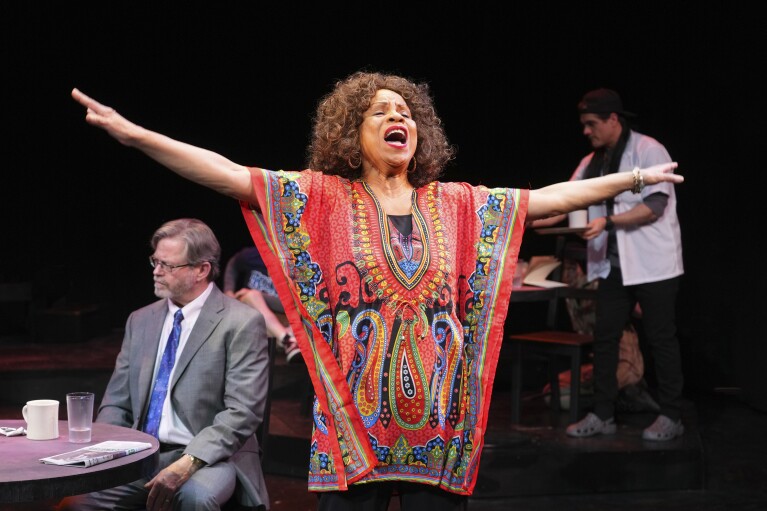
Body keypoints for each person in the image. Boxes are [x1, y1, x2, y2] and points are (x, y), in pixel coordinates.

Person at [71, 73, 682, 509]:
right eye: (382, 111)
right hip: (353, 431)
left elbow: (545, 199)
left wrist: (631, 177)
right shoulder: (322, 199)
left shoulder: (458, 205)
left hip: (440, 435)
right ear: (351, 131)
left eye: (408, 112)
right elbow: (229, 174)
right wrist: (136, 135)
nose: (399, 118)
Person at [58, 219, 270, 511]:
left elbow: (242, 412)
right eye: (155, 261)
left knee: (196, 497)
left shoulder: (240, 322)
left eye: (168, 266)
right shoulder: (140, 319)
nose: (156, 272)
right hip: (142, 453)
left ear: (201, 270)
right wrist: (101, 454)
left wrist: (190, 461)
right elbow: (117, 403)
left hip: (212, 456)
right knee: (76, 503)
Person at [533, 88, 684, 441]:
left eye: (591, 123)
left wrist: (608, 223)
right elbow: (563, 200)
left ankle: (672, 415)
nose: (586, 131)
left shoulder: (648, 150)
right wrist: (524, 218)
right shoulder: (592, 162)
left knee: (661, 339)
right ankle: (603, 414)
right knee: (604, 339)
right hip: (614, 267)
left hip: (654, 265)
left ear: (613, 119)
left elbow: (655, 206)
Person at [223, 246, 302, 363]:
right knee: (250, 297)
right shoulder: (254, 255)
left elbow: (296, 302)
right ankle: (287, 339)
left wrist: (258, 295)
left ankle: (285, 338)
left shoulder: (295, 262)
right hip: (248, 307)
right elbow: (234, 264)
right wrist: (228, 291)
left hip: (280, 310)